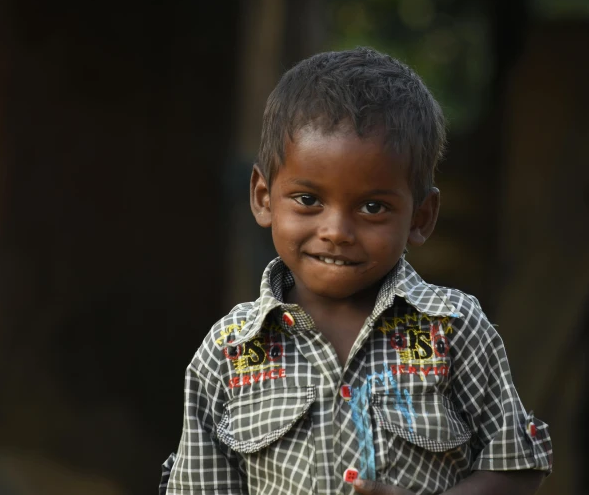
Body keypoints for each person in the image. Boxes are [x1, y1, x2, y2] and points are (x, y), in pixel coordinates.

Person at [159, 47, 552, 495]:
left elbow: (517, 466)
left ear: (421, 218)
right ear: (264, 197)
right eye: (308, 200)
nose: (337, 231)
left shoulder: (454, 331)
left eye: (372, 207)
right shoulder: (229, 352)